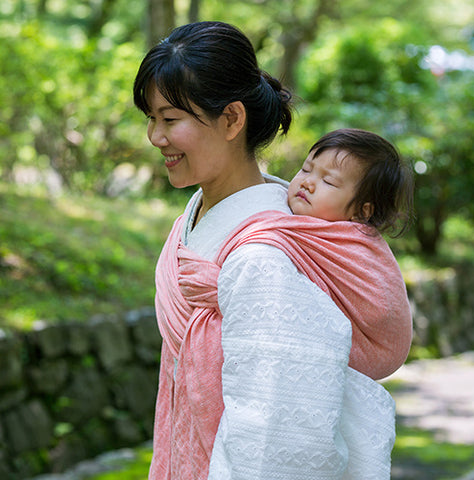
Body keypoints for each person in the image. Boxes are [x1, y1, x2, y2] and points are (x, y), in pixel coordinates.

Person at [133, 21, 396, 480]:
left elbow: (275, 441)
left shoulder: (265, 259)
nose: (156, 137)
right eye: (151, 118)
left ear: (232, 119)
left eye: (170, 119)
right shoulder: (193, 222)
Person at [227, 128, 414, 380]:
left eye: (329, 181)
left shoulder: (355, 245)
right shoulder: (288, 214)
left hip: (365, 345)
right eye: (306, 169)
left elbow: (380, 306)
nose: (307, 182)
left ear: (361, 212)